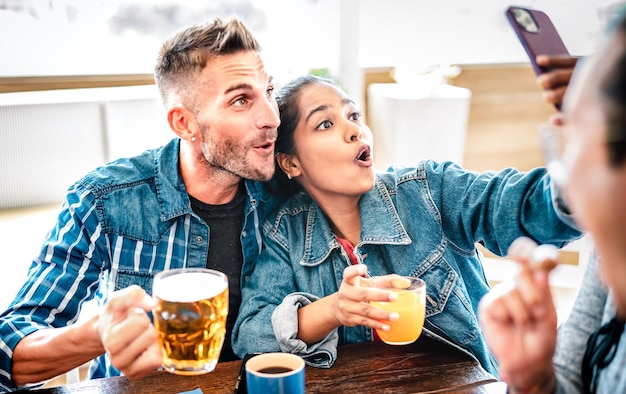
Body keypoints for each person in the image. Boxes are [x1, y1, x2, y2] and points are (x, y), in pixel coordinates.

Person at [231, 74, 583, 376]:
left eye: (353, 114)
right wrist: (333, 309)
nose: (354, 130)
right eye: (326, 123)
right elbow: (249, 336)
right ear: (291, 163)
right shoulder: (285, 233)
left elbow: (524, 207)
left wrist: (591, 169)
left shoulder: (429, 191)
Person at [0, 18, 282, 391]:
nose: (272, 117)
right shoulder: (103, 200)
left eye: (270, 91)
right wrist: (97, 333)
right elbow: (9, 348)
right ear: (184, 123)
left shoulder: (285, 189)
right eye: (241, 100)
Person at [478, 13, 626, 393]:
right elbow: (574, 376)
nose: (565, 188)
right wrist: (533, 379)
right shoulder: (609, 265)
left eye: (576, 134)